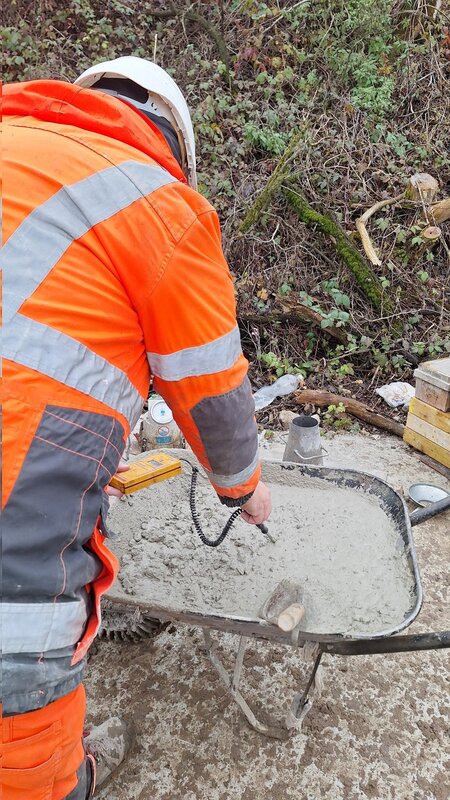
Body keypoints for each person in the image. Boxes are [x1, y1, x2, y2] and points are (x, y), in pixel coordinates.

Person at [1, 56, 272, 799]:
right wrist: (242, 487)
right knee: (26, 757)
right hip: (13, 554)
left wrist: (85, 446)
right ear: (175, 145)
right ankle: (69, 778)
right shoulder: (156, 201)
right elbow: (210, 386)